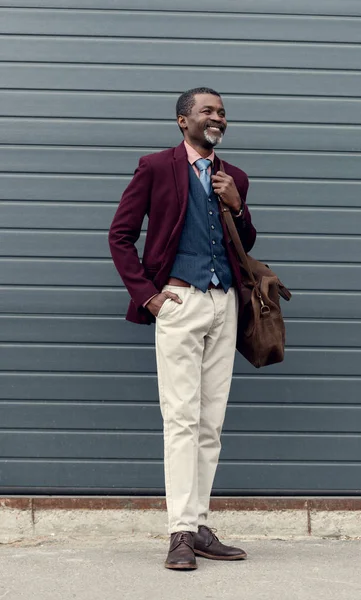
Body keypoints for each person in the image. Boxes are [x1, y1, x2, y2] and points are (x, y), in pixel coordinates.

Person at [109, 87, 257, 570]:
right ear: (182, 120)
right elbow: (121, 235)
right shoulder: (155, 167)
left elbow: (244, 241)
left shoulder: (232, 176)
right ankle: (179, 532)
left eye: (222, 112)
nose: (218, 118)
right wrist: (147, 295)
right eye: (207, 111)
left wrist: (237, 204)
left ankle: (198, 524)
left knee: (211, 422)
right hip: (180, 302)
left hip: (225, 303)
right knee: (181, 420)